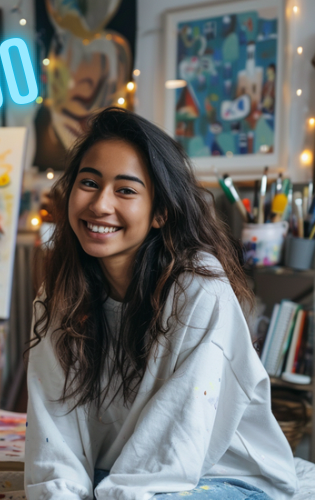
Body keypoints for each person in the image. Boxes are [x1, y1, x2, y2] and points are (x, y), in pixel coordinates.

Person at [24, 107, 298, 500]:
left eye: (126, 190)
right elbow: (55, 433)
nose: (100, 204)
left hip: (223, 475)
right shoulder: (61, 290)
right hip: (121, 471)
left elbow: (179, 433)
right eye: (89, 182)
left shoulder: (198, 288)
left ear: (161, 212)